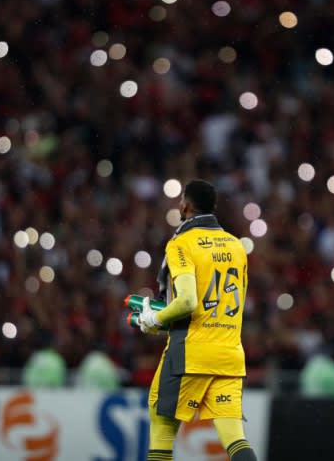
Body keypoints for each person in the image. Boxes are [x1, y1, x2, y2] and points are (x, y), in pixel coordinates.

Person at [136, 179, 257, 461]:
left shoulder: (181, 243)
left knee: (161, 421)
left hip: (191, 352)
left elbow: (189, 301)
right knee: (235, 438)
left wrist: (155, 318)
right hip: (229, 354)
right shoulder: (236, 245)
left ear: (186, 205)